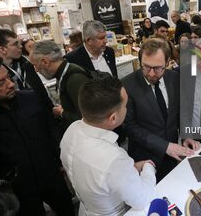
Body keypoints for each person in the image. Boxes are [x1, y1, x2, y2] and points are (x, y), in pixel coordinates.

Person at [60, 73, 156, 216]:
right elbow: (141, 199)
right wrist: (148, 168)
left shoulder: (71, 130)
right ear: (113, 118)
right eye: (125, 105)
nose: (127, 109)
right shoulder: (113, 159)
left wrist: (127, 170)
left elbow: (98, 178)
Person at [0, 56, 74, 216]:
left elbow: (51, 130)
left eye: (7, 77)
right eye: (0, 84)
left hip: (51, 176)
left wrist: (61, 162)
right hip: (18, 189)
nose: (10, 84)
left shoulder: (30, 98)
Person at [122, 38, 200, 181]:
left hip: (171, 156)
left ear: (168, 62)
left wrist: (187, 134)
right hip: (145, 159)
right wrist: (165, 146)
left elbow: (182, 111)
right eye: (146, 67)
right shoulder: (127, 85)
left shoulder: (174, 77)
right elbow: (130, 127)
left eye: (158, 68)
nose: (151, 74)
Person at [29, 40, 90, 128]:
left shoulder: (74, 78)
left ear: (45, 62)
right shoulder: (63, 73)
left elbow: (89, 118)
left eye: (35, 65)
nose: (36, 70)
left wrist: (61, 112)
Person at [0, 29, 53, 112]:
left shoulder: (26, 64)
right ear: (2, 49)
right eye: (15, 44)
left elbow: (41, 91)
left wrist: (51, 108)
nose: (21, 46)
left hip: (39, 112)